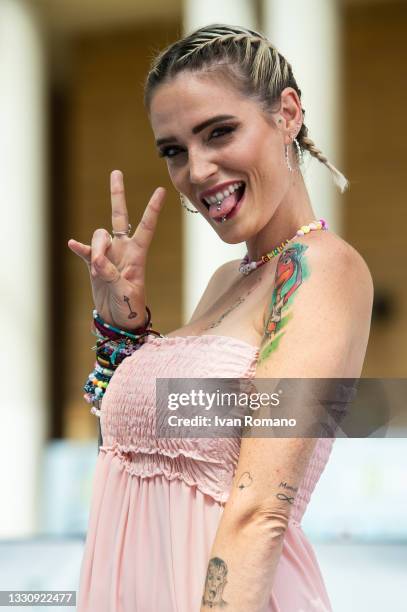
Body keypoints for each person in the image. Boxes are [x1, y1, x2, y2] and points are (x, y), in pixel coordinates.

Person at [68, 24, 373, 612]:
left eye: (220, 132)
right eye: (175, 150)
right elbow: (139, 439)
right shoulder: (226, 281)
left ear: (286, 114)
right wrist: (120, 329)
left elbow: (261, 511)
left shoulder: (324, 271)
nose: (199, 170)